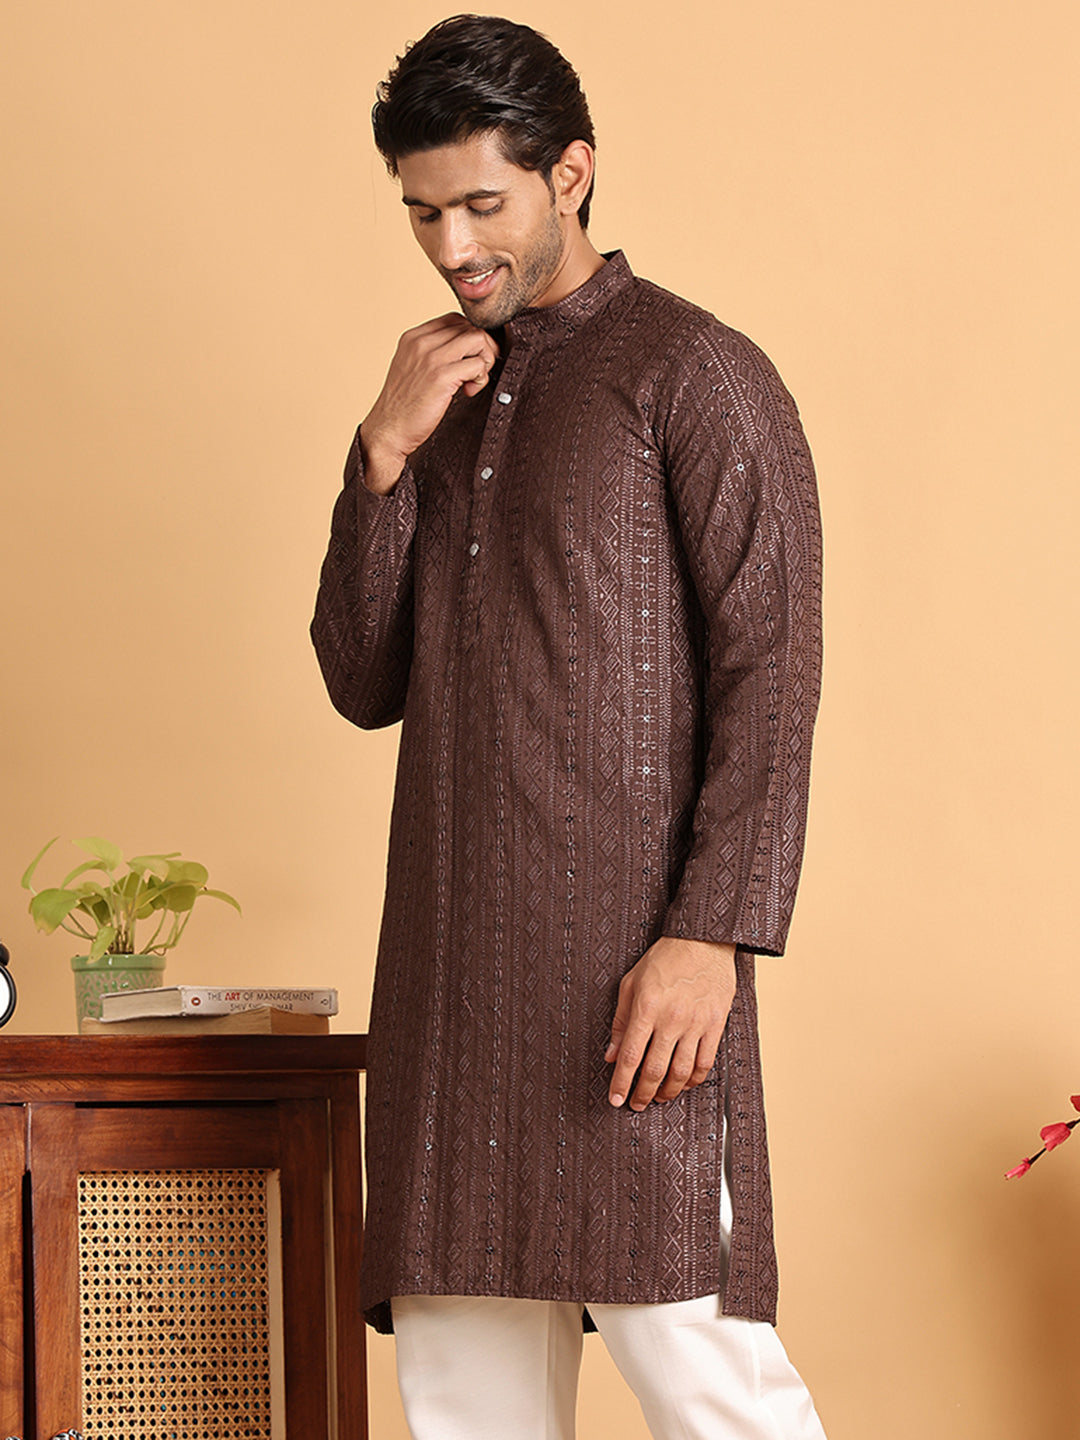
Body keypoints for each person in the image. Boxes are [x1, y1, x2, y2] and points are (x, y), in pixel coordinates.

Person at [312, 15, 827, 1439]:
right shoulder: (435, 396)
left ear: (571, 174)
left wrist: (711, 936)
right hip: (447, 999)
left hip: (630, 992)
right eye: (424, 213)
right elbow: (361, 677)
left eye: (483, 204)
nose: (453, 246)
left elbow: (773, 674)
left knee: (710, 1388)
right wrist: (381, 453)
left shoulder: (695, 373)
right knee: (465, 1406)